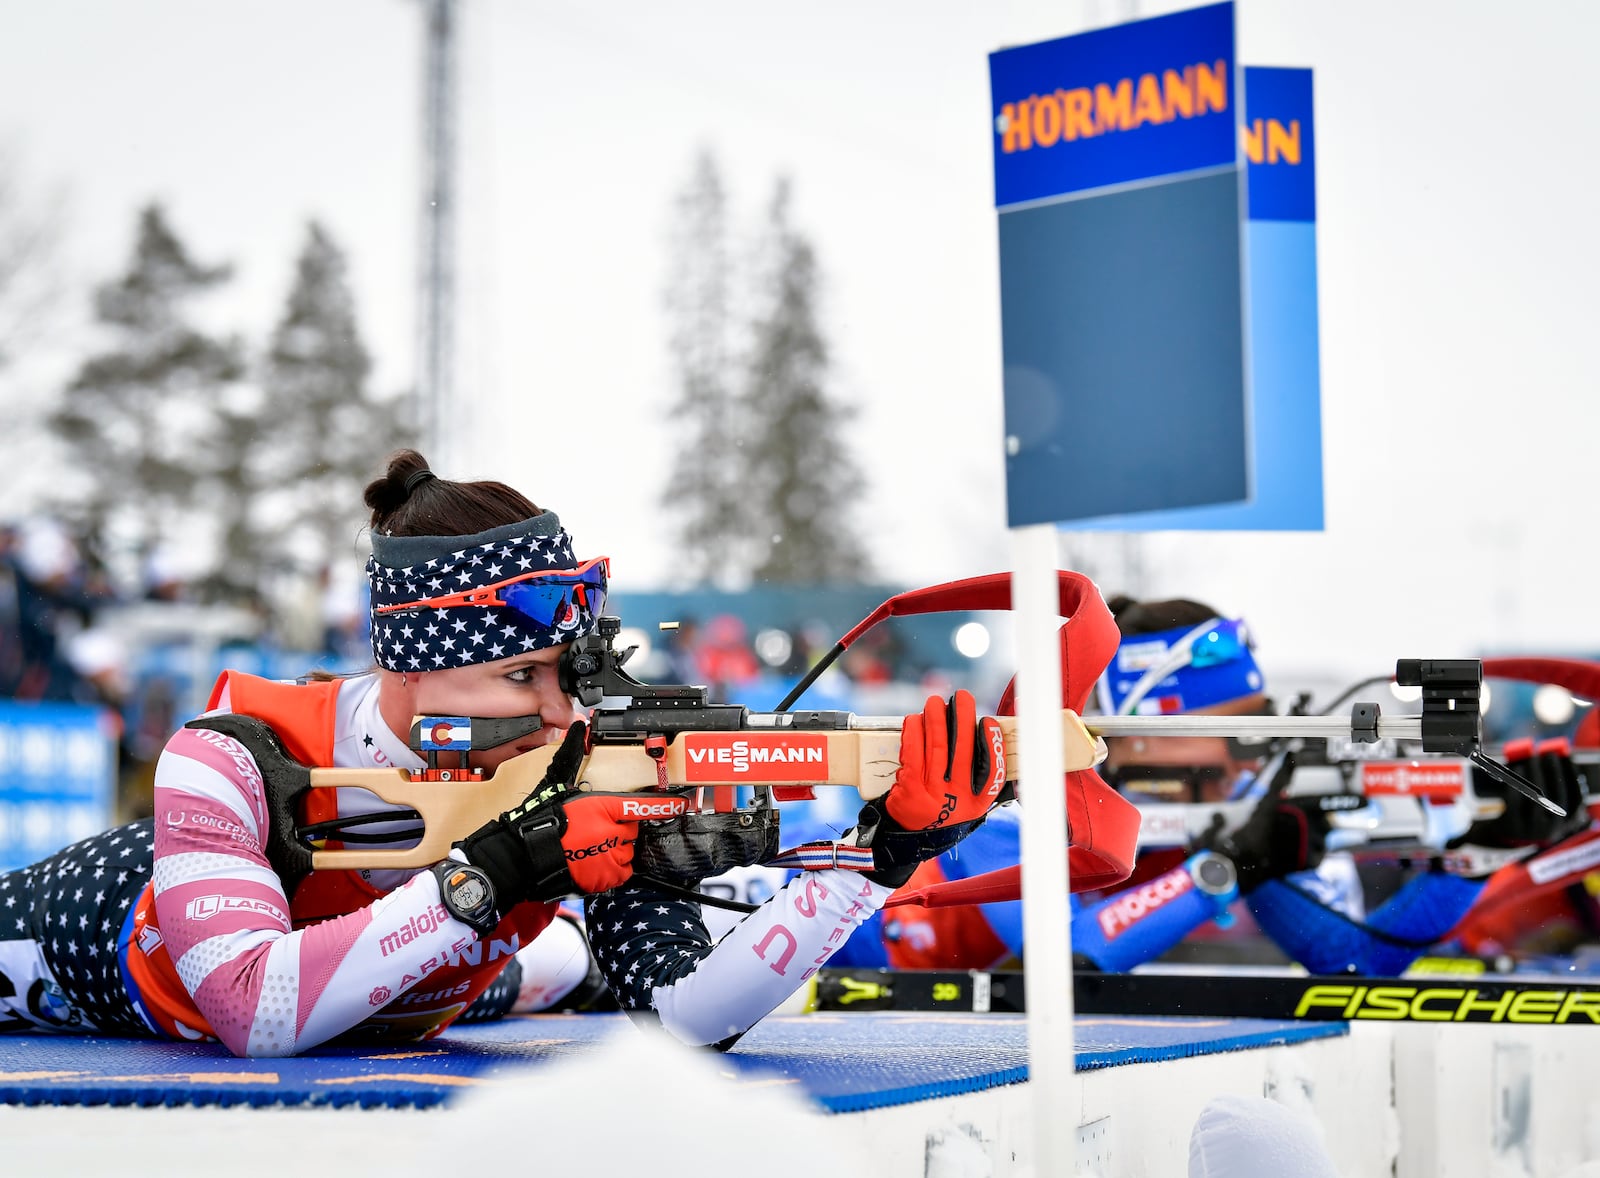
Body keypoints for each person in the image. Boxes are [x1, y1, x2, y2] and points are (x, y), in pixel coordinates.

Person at [0, 450, 1007, 1054]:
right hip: (68, 948)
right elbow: (253, 1008)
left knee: (557, 966)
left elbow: (692, 1016)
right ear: (409, 670)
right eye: (519, 676)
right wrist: (496, 870)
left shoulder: (582, 751)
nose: (559, 713)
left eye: (566, 675)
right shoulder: (232, 758)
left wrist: (878, 855)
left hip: (429, 993)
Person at [877, 595, 1592, 977]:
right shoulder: (1018, 799)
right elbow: (1053, 971)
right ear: (1132, 731)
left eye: (1259, 724)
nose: (1253, 749)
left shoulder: (1244, 811)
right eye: (1229, 726)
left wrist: (1475, 855)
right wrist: (1226, 869)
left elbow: (1357, 961)